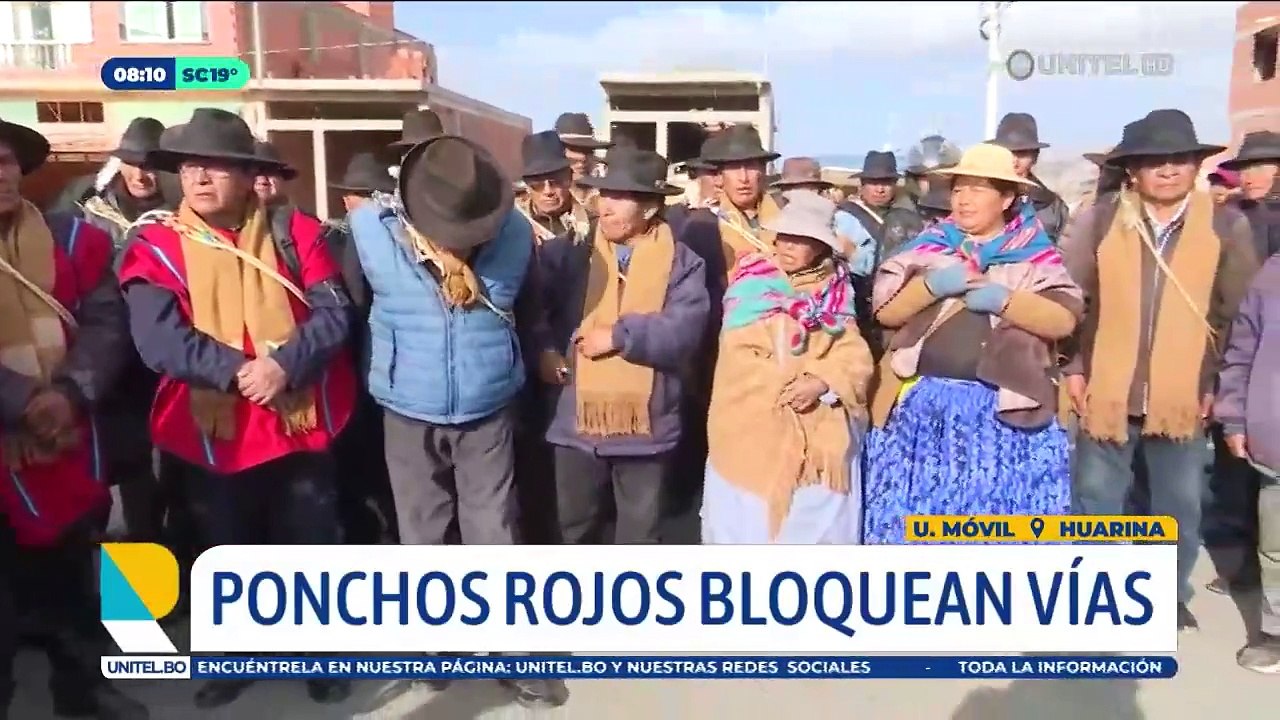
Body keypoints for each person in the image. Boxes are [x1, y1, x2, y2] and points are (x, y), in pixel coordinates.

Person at [116, 108, 357, 709]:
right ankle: (233, 657)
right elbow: (159, 338)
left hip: (296, 423)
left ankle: (321, 656)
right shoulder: (156, 244)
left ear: (250, 176)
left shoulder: (295, 234)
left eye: (216, 167)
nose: (199, 178)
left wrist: (284, 366)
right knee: (226, 550)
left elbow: (334, 316)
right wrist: (239, 371)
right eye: (190, 167)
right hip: (210, 430)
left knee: (310, 545)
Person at [345, 134, 563, 708]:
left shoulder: (513, 233)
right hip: (406, 407)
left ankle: (511, 652)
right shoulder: (373, 229)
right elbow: (355, 299)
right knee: (423, 529)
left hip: (488, 405)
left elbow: (519, 302)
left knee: (495, 530)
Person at [1061, 109, 1259, 631]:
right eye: (1154, 161)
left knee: (1176, 505)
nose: (1168, 170)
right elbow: (1072, 300)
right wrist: (1076, 365)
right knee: (1098, 500)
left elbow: (1236, 314)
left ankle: (1164, 594)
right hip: (1106, 387)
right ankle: (1099, 593)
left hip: (1185, 393)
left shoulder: (1226, 225)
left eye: (1179, 159)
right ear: (1132, 171)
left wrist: (1215, 384)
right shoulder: (1101, 221)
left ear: (1196, 166)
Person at [0, 115, 147, 719]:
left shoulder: (74, 239)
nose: (0, 172)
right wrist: (18, 402)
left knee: (73, 574)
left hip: (65, 437)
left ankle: (83, 690)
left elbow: (106, 321)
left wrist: (68, 392)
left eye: (6, 160)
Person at [863, 143, 1082, 544]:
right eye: (959, 189)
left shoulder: (1035, 257)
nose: (963, 199)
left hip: (1005, 417)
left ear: (1008, 198)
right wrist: (930, 285)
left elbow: (1062, 320)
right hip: (926, 413)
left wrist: (1006, 300)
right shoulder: (929, 249)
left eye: (978, 189)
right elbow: (886, 313)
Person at [538, 148, 708, 544]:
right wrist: (544, 349)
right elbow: (536, 312)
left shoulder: (683, 264)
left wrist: (619, 336)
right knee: (575, 530)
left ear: (650, 207)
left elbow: (683, 333)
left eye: (620, 197)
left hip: (646, 429)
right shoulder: (573, 252)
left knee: (640, 536)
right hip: (576, 424)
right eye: (603, 194)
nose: (606, 207)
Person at [702, 193, 872, 543]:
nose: (788, 246)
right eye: (785, 236)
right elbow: (737, 353)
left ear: (821, 247)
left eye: (802, 240)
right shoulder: (752, 283)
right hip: (752, 425)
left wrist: (823, 382)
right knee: (746, 531)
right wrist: (784, 380)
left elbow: (852, 354)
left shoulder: (837, 291)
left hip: (818, 434)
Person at [1202, 131, 1280, 597]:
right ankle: (1239, 560)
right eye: (1245, 167)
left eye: (1262, 166)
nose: (1250, 175)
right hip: (1233, 348)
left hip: (1265, 350)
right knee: (1236, 461)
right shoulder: (1230, 217)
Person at [323, 151, 398, 545]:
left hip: (387, 377)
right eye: (360, 196)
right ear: (346, 200)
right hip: (344, 373)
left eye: (375, 195)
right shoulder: (330, 242)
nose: (366, 204)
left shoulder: (401, 246)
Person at [1214, 250, 1280, 673]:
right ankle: (1275, 636)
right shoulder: (1272, 273)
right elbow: (1241, 350)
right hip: (1275, 440)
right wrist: (1235, 417)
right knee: (1276, 548)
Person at [987, 112, 1071, 242]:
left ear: (1034, 157)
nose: (1014, 162)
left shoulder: (1051, 206)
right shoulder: (976, 198)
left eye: (1022, 154)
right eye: (1008, 153)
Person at [515, 130, 590, 245]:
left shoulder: (593, 224)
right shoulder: (512, 223)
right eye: (537, 184)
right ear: (527, 186)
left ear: (569, 179)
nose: (548, 191)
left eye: (556, 182)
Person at [554, 112, 613, 214]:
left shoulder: (607, 179)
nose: (582, 157)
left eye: (588, 150)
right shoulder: (543, 187)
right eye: (574, 149)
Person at [251, 140, 298, 206]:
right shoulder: (233, 216)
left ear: (281, 179)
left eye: (270, 171)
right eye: (254, 172)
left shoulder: (299, 216)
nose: (262, 180)